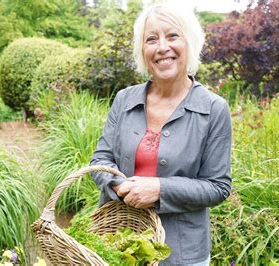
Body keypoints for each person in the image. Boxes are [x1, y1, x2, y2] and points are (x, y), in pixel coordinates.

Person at [90, 2, 232, 265]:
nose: (162, 47)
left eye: (172, 36)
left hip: (182, 253)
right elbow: (100, 160)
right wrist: (121, 187)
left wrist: (159, 189)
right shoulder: (124, 99)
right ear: (143, 51)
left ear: (189, 42)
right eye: (151, 39)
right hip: (119, 246)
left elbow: (218, 187)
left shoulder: (213, 109)